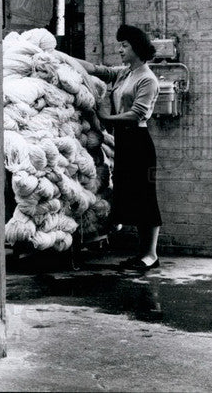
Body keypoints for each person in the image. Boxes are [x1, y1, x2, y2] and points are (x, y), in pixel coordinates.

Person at [64, 24, 162, 272]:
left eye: (124, 45)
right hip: (125, 143)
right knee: (134, 197)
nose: (120, 49)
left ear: (137, 48)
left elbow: (137, 113)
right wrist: (62, 57)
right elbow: (96, 69)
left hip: (139, 142)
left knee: (146, 197)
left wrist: (106, 120)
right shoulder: (125, 74)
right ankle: (141, 253)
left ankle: (150, 255)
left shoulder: (147, 79)